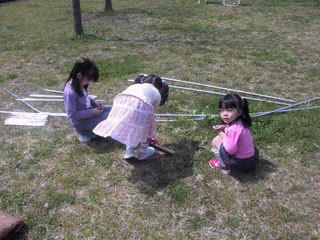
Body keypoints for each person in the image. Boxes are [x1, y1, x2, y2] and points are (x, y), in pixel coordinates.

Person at [93, 74, 169, 160]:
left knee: (130, 127)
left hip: (120, 105)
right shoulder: (156, 93)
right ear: (160, 87)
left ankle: (129, 151)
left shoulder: (135, 86)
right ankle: (143, 152)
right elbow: (152, 113)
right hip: (140, 106)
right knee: (147, 128)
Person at [63, 57, 112, 142]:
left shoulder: (79, 84)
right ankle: (85, 133)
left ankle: (91, 132)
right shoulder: (70, 93)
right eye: (88, 79)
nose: (88, 82)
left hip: (88, 114)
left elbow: (85, 98)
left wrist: (94, 103)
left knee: (112, 109)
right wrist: (92, 112)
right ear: (79, 75)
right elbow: (72, 114)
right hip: (81, 122)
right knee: (109, 117)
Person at [209, 93, 259, 174]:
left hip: (241, 164)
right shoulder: (240, 121)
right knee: (223, 139)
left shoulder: (234, 129)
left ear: (239, 112)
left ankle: (223, 167)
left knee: (216, 140)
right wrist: (225, 127)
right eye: (222, 110)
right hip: (252, 159)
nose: (225, 113)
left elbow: (231, 150)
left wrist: (221, 132)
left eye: (229, 110)